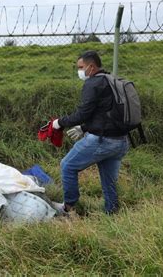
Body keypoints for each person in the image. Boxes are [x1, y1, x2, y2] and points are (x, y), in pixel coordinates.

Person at [52, 50, 130, 214]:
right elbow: (105, 113)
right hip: (121, 141)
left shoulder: (92, 83)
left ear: (91, 67)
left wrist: (59, 123)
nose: (79, 71)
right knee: (109, 179)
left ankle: (69, 208)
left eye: (81, 67)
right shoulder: (111, 80)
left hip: (102, 140)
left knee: (67, 166)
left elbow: (83, 113)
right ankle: (112, 211)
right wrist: (84, 128)